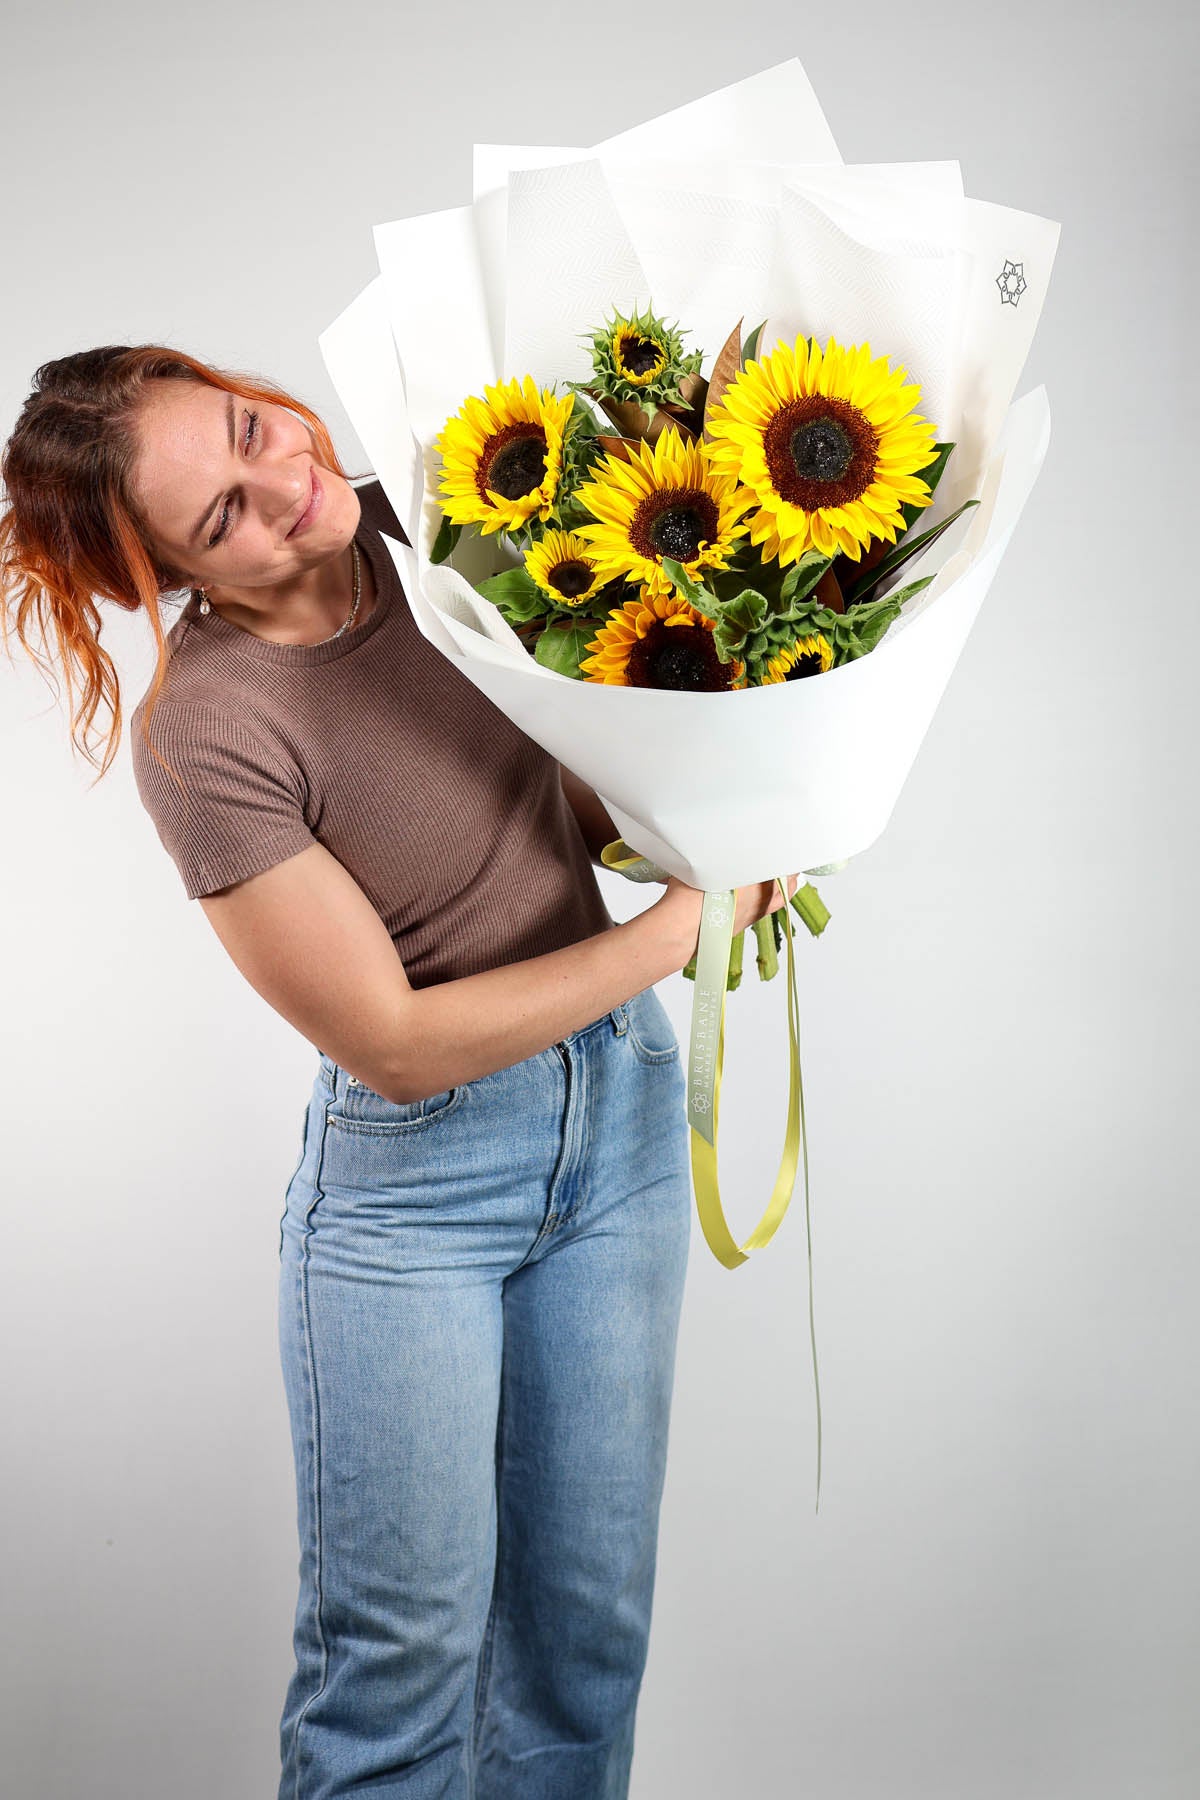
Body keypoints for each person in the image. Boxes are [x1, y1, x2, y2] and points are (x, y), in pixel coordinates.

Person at [0, 344, 800, 1799]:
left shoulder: (457, 527)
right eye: (222, 516)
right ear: (153, 576)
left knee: (584, 1645)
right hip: (416, 1201)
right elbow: (393, 1043)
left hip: (615, 1121)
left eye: (257, 432)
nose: (291, 490)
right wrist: (685, 926)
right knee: (397, 1671)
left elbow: (563, 797)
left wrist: (727, 794)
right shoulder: (207, 735)